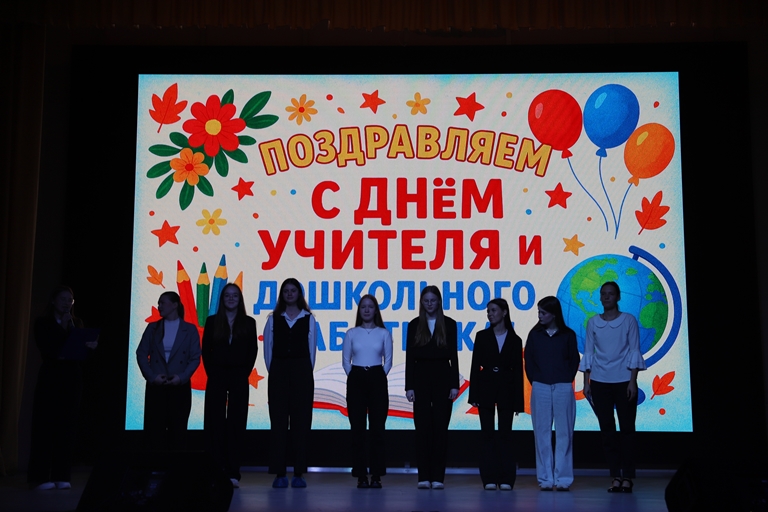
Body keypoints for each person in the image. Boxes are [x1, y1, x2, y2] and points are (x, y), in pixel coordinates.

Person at [28, 286, 98, 490]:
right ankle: (40, 477)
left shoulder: (77, 323)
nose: (67, 303)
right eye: (63, 299)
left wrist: (91, 348)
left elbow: (80, 353)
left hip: (72, 379)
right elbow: (50, 348)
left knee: (67, 427)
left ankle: (61, 475)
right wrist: (65, 328)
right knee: (45, 426)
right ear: (53, 301)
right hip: (50, 378)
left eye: (70, 300)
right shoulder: (43, 323)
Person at [580, 281, 646, 493]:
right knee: (607, 430)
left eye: (610, 293)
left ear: (618, 297)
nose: (606, 297)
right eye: (603, 294)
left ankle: (628, 476)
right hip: (600, 382)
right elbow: (589, 352)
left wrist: (633, 381)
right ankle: (615, 476)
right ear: (600, 297)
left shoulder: (628, 320)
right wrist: (586, 382)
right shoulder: (593, 322)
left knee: (627, 429)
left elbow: (634, 350)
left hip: (624, 381)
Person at [202, 283, 258, 488]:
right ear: (222, 299)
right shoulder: (212, 321)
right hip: (217, 375)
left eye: (235, 295)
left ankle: (233, 472)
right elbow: (205, 351)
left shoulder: (249, 323)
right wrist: (212, 373)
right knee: (214, 423)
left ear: (240, 299)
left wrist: (243, 372)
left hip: (239, 376)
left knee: (236, 423)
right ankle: (215, 470)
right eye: (227, 295)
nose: (231, 298)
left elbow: (253, 350)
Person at [263, 278, 317, 489]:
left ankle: (299, 472)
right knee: (278, 423)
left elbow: (312, 349)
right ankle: (279, 473)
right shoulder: (273, 319)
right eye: (286, 291)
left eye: (293, 290)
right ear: (282, 294)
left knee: (301, 423)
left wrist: (303, 371)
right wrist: (276, 371)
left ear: (299, 294)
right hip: (279, 371)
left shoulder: (308, 318)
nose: (289, 294)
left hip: (302, 371)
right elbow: (268, 349)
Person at [405, 285, 459, 490]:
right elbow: (410, 357)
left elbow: (454, 356)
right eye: (426, 300)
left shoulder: (450, 324)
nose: (429, 304)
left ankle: (438, 477)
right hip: (420, 378)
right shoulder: (414, 325)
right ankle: (423, 476)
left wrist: (454, 385)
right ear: (421, 302)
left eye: (433, 300)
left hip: (443, 377)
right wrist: (409, 386)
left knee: (440, 429)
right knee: (422, 428)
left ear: (439, 302)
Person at [524, 296, 580, 491]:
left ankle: (563, 478)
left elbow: (574, 360)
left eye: (543, 312)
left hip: (563, 386)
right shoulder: (535, 334)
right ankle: (545, 479)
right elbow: (529, 360)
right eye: (539, 312)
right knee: (542, 433)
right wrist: (537, 380)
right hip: (540, 386)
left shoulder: (568, 335)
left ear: (554, 314)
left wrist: (565, 378)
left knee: (565, 433)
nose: (540, 316)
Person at [468, 298, 524, 491]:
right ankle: (489, 478)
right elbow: (475, 367)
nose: (490, 314)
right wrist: (473, 395)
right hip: (485, 388)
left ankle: (506, 478)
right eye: (488, 311)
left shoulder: (515, 340)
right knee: (487, 435)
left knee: (505, 435)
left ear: (504, 312)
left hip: (507, 390)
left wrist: (518, 402)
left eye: (493, 310)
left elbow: (518, 373)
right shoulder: (482, 336)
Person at [136, 291, 201, 451]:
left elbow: (195, 357)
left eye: (162, 303)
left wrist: (182, 377)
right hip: (156, 386)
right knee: (154, 432)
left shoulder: (190, 330)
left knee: (178, 432)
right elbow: (141, 353)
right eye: (158, 303)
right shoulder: (152, 328)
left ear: (175, 305)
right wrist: (152, 377)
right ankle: (154, 464)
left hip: (179, 387)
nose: (159, 306)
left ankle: (176, 466)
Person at [342, 294, 393, 489]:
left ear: (375, 310)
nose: (366, 310)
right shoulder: (351, 333)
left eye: (370, 306)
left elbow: (388, 361)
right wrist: (357, 375)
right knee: (358, 429)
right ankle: (361, 475)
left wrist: (376, 375)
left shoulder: (383, 333)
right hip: (356, 378)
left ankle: (377, 475)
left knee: (377, 429)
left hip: (377, 378)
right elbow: (346, 361)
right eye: (363, 306)